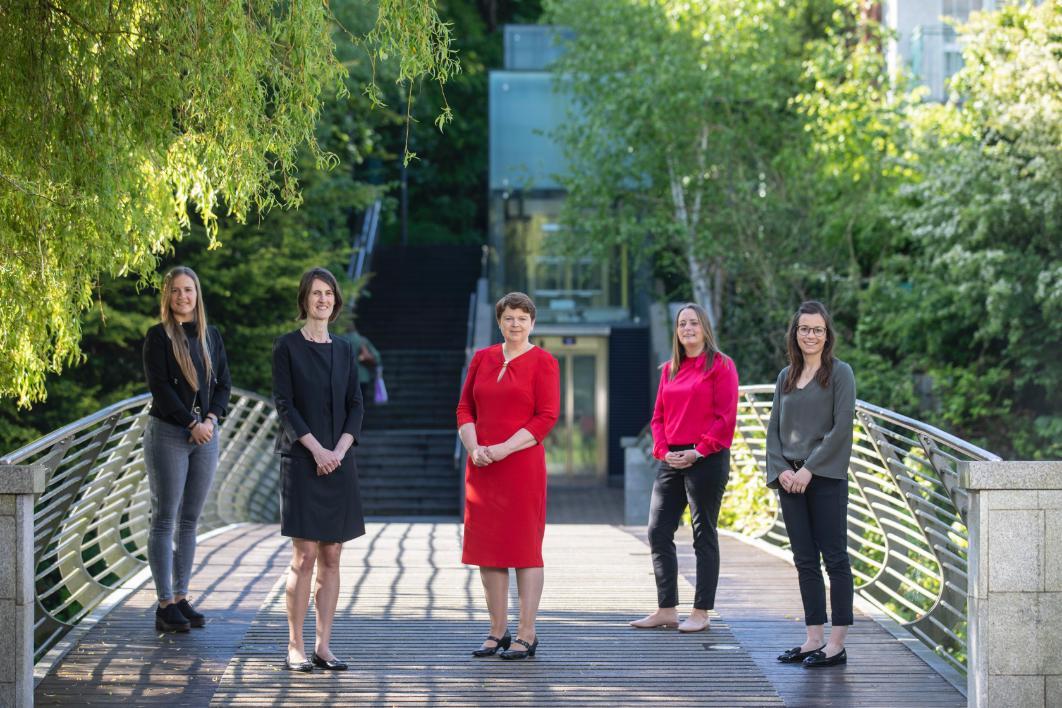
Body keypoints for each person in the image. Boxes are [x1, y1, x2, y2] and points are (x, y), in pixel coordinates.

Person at [457, 292, 560, 660]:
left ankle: (527, 633)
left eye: (522, 317)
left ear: (532, 322)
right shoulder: (482, 358)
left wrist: (503, 448)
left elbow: (546, 417)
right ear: (499, 321)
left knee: (525, 549)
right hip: (482, 465)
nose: (515, 324)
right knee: (489, 550)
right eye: (508, 317)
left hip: (521, 466)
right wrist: (473, 447)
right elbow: (465, 407)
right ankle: (497, 630)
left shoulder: (544, 361)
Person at [272, 267, 365, 673]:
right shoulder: (287, 347)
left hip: (339, 461)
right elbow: (285, 406)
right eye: (315, 294)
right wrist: (318, 450)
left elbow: (356, 405)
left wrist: (339, 450)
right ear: (304, 300)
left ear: (335, 301)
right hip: (303, 459)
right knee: (304, 554)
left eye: (328, 293)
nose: (323, 300)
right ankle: (295, 645)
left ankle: (324, 646)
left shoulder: (345, 349)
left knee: (333, 554)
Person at [630, 303, 738, 634]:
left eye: (693, 323)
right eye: (681, 324)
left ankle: (701, 611)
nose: (687, 328)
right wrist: (663, 451)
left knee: (703, 531)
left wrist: (699, 451)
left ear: (704, 327)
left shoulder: (721, 365)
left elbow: (726, 418)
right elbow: (658, 417)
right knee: (658, 530)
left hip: (707, 456)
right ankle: (666, 609)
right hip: (672, 459)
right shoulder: (669, 370)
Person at [766, 300, 856, 668]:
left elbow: (842, 427)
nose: (811, 335)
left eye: (817, 329)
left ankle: (836, 644)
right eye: (805, 329)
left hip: (825, 479)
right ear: (795, 333)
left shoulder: (840, 374)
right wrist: (782, 470)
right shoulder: (785, 376)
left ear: (827, 334)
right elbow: (773, 431)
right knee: (804, 560)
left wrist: (810, 469)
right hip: (790, 480)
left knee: (834, 558)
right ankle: (813, 638)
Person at [142, 266, 231, 633]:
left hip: (205, 436)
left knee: (190, 519)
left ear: (197, 295)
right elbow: (160, 388)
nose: (183, 296)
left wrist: (209, 419)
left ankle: (181, 596)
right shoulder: (158, 337)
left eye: (189, 290)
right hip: (169, 433)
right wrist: (190, 423)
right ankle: (164, 604)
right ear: (168, 296)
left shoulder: (211, 336)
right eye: (176, 290)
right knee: (165, 517)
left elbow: (224, 383)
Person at [342, 325, 381, 404]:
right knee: (361, 402)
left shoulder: (341, 340)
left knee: (347, 402)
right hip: (363, 377)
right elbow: (377, 357)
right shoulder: (362, 340)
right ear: (356, 330)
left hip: (346, 377)